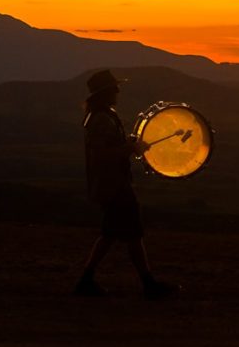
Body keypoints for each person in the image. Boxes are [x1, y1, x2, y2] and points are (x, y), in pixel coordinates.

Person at [74, 69, 178, 300]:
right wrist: (130, 148)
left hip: (113, 184)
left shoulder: (102, 115)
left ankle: (87, 280)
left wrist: (128, 144)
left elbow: (107, 148)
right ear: (106, 92)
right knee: (131, 233)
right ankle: (147, 284)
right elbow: (101, 154)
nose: (118, 91)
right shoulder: (101, 118)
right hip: (114, 186)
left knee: (112, 234)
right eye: (115, 88)